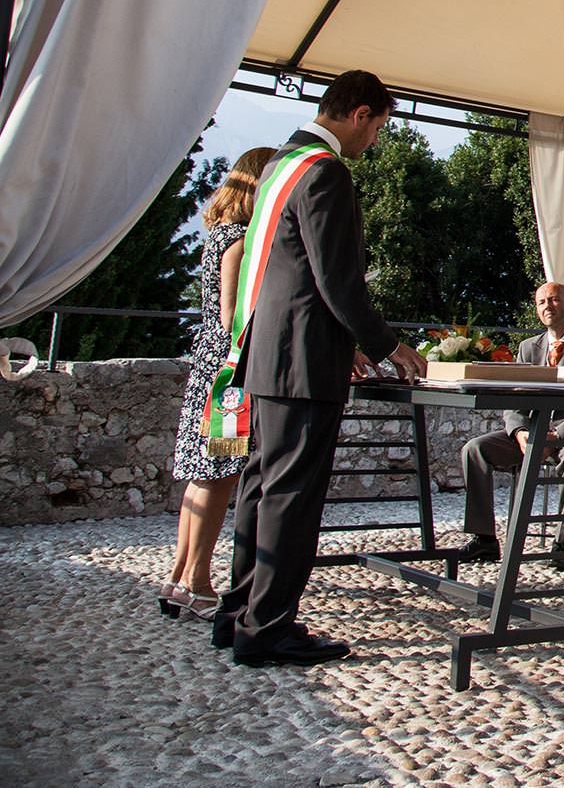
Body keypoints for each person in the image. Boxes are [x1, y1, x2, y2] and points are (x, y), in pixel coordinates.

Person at [211, 71, 427, 667]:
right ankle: (268, 629)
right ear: (360, 114)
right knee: (293, 497)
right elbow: (336, 279)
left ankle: (238, 612)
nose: (375, 142)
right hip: (303, 362)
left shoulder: (282, 160)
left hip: (265, 353)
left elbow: (290, 272)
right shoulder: (326, 171)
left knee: (261, 487)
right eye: (378, 128)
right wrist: (388, 345)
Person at [163, 146, 275, 621]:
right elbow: (235, 319)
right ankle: (200, 581)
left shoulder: (217, 235)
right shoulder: (239, 242)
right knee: (219, 474)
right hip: (228, 375)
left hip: (208, 367)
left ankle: (178, 577)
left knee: (199, 475)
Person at [457, 282, 564, 570]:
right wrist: (520, 433)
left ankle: (563, 544)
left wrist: (556, 435)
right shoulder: (528, 348)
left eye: (554, 300)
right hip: (533, 430)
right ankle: (484, 539)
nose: (547, 306)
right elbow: (515, 401)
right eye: (541, 301)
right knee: (475, 449)